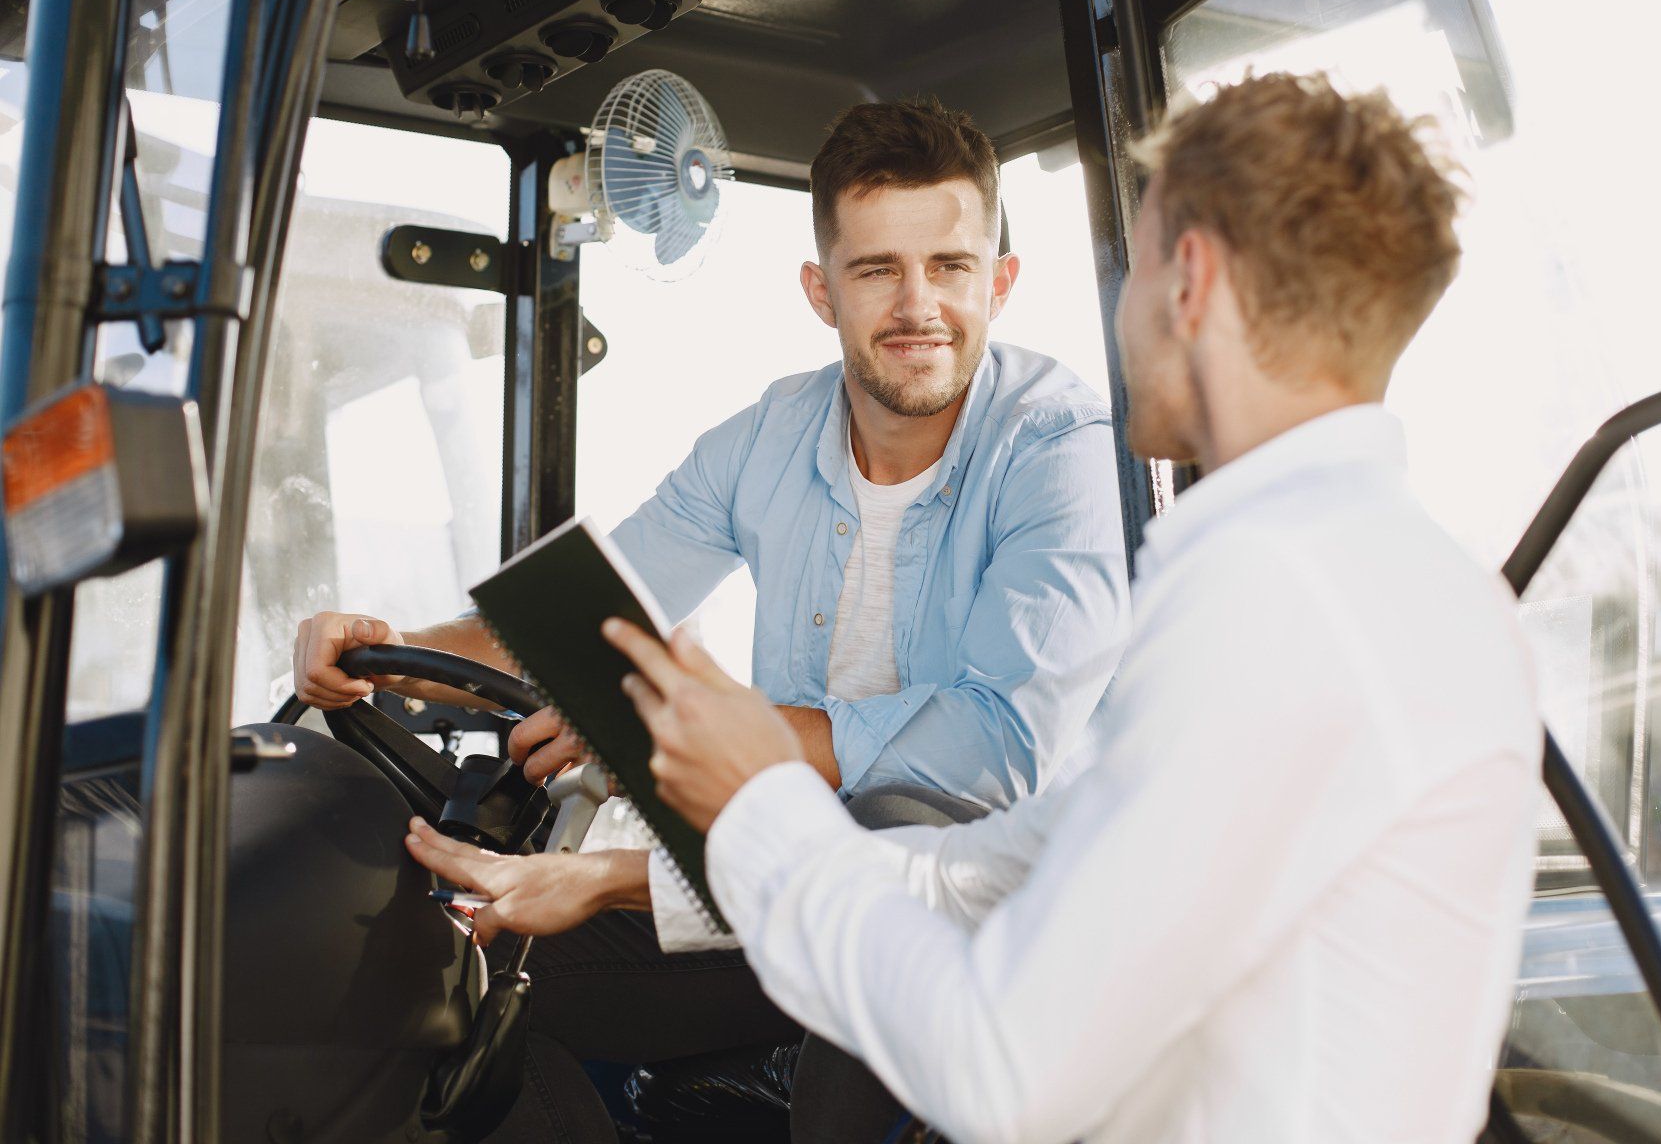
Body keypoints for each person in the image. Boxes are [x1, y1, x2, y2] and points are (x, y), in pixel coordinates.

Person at [562, 72, 1544, 1142]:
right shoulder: (1383, 574)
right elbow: (999, 864)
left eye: (1131, 264)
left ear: (1192, 281)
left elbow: (1005, 1070)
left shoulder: (1281, 600)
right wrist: (632, 879)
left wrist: (755, 789)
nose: (1116, 311)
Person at [299, 96, 1129, 1132]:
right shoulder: (768, 436)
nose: (919, 304)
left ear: (998, 281)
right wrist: (381, 650)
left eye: (951, 266)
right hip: (781, 883)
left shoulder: (1062, 448)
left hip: (990, 921)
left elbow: (993, 753)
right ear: (821, 291)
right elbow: (575, 628)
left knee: (892, 854)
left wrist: (723, 744)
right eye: (877, 269)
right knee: (469, 991)